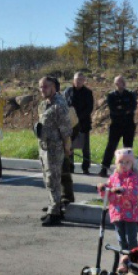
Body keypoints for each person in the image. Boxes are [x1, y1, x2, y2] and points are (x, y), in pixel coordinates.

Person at [37, 75, 74, 226]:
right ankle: (53, 205)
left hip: (55, 147)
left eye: (45, 86)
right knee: (48, 179)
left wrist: (67, 146)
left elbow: (66, 129)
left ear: (54, 87)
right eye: (40, 87)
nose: (42, 89)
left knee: (54, 179)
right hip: (44, 146)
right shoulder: (44, 104)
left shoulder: (59, 105)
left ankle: (55, 213)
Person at [98, 148, 138, 250]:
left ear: (132, 164)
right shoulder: (114, 177)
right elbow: (108, 189)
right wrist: (102, 187)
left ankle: (134, 259)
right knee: (121, 240)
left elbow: (134, 191)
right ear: (117, 163)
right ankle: (124, 261)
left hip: (130, 214)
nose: (124, 165)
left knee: (131, 239)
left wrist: (123, 190)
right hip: (116, 213)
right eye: (121, 162)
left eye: (127, 162)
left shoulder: (134, 178)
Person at [99, 76, 137, 178]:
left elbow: (133, 107)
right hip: (116, 124)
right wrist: (125, 110)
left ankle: (128, 170)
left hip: (129, 125)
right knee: (111, 147)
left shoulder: (130, 94)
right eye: (117, 82)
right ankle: (104, 168)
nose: (119, 84)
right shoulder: (111, 95)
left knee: (128, 148)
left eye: (121, 82)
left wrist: (121, 109)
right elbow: (113, 110)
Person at [63, 72, 95, 174]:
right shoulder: (67, 91)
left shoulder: (88, 92)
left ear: (84, 81)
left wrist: (78, 118)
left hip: (83, 123)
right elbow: (64, 105)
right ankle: (70, 166)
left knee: (85, 148)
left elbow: (89, 108)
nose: (79, 81)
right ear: (73, 79)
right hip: (70, 124)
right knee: (69, 146)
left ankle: (85, 168)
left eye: (81, 79)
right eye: (77, 79)